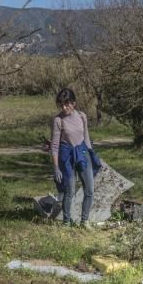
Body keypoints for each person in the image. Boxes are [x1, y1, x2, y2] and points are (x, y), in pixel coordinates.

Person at [50, 88, 101, 226]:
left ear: (74, 103)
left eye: (67, 104)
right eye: (61, 104)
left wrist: (92, 155)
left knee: (89, 189)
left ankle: (85, 221)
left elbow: (86, 138)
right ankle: (66, 221)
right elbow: (54, 146)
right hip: (66, 155)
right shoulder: (58, 120)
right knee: (70, 191)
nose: (64, 107)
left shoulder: (82, 116)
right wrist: (56, 167)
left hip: (83, 153)